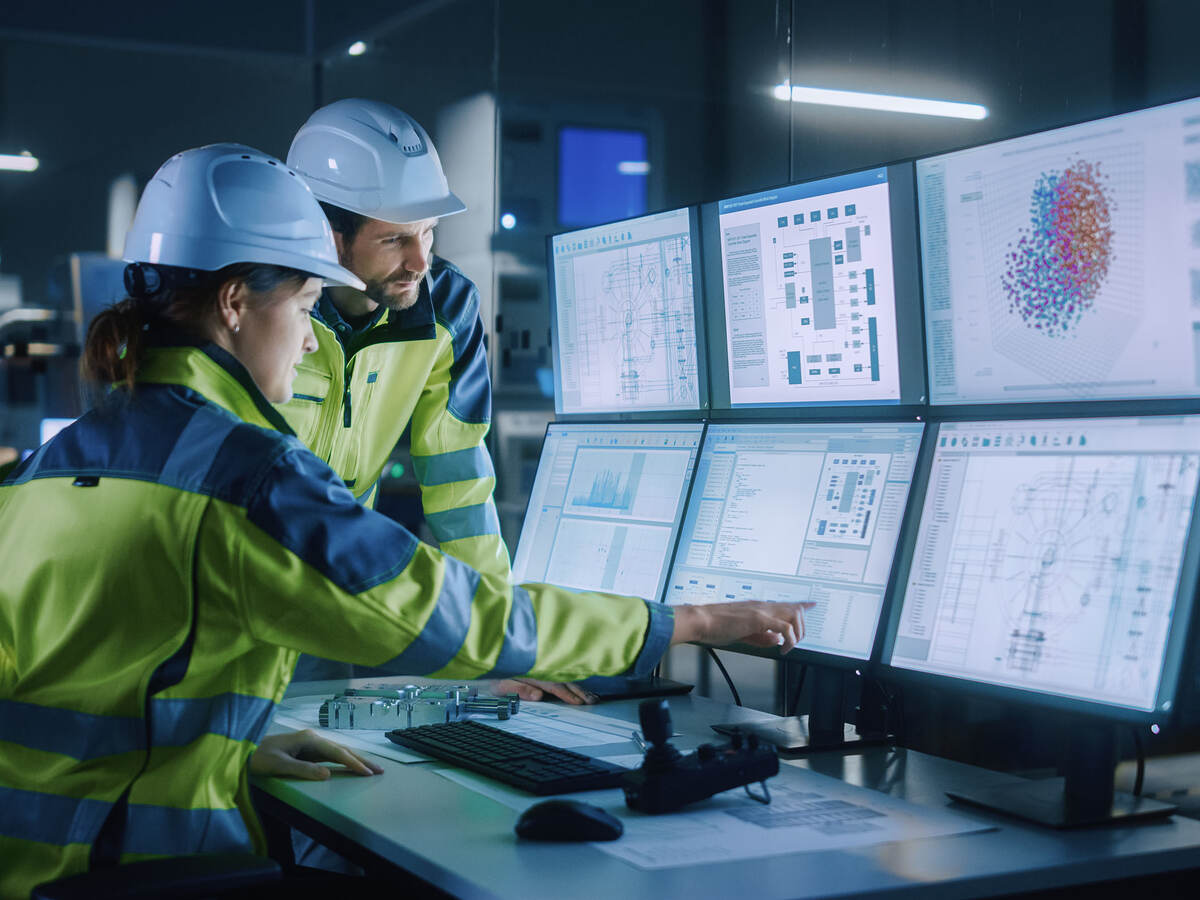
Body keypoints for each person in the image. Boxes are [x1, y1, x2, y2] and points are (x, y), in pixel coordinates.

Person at [0, 143, 809, 899]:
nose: (309, 340)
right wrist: (687, 621)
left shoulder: (50, 467)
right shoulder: (242, 477)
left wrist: (232, 751)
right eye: (309, 303)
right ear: (237, 303)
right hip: (141, 865)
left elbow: (82, 686)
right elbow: (447, 614)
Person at [282, 99, 586, 701]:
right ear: (326, 233)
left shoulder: (446, 308)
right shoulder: (267, 306)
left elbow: (459, 486)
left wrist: (501, 644)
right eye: (395, 239)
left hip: (324, 601)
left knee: (306, 765)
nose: (421, 261)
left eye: (428, 232)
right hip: (226, 587)